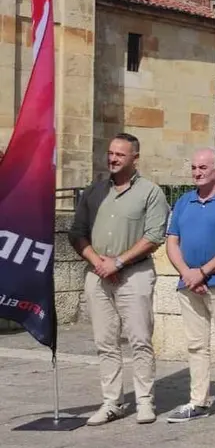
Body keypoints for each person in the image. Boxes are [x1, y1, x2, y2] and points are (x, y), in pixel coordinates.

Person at [69, 134, 169, 426]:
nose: (112, 159)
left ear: (135, 158)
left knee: (140, 340)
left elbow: (154, 236)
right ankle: (112, 402)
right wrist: (98, 262)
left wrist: (119, 261)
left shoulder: (151, 193)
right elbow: (77, 233)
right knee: (105, 342)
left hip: (134, 275)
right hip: (98, 275)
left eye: (120, 155)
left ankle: (145, 401)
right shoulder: (93, 192)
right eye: (111, 153)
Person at [163, 149, 215, 425]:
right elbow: (171, 242)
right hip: (188, 285)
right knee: (196, 345)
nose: (197, 172)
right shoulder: (184, 201)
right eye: (194, 168)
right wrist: (188, 274)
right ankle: (198, 400)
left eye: (203, 167)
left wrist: (202, 272)